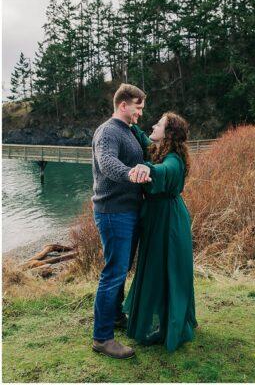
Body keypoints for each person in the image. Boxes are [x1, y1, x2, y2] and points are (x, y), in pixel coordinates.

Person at [123, 112, 198, 352]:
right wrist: (130, 123)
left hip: (169, 222)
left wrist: (146, 170)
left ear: (168, 134)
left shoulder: (174, 159)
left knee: (168, 270)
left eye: (160, 124)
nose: (153, 125)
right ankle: (160, 320)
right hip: (157, 218)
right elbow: (145, 139)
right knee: (156, 267)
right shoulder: (159, 150)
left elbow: (164, 171)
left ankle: (169, 324)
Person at [90, 83, 148, 359]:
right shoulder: (108, 131)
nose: (140, 113)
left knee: (120, 270)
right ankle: (102, 338)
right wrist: (130, 174)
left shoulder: (129, 130)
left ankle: (114, 318)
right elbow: (107, 162)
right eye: (138, 107)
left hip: (128, 211)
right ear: (123, 105)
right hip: (113, 212)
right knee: (113, 272)